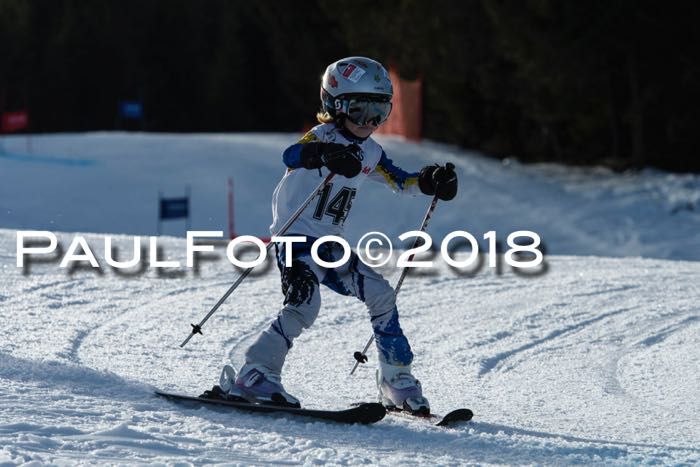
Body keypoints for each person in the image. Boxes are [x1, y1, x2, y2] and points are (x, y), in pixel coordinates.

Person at [219, 57, 458, 414]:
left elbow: (400, 180)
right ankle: (255, 371)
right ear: (333, 104)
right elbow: (293, 154)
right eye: (359, 110)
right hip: (296, 237)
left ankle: (396, 378)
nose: (370, 122)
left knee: (380, 293)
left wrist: (429, 180)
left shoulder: (371, 151)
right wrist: (325, 154)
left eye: (379, 112)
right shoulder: (323, 136)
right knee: (304, 303)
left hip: (331, 246)